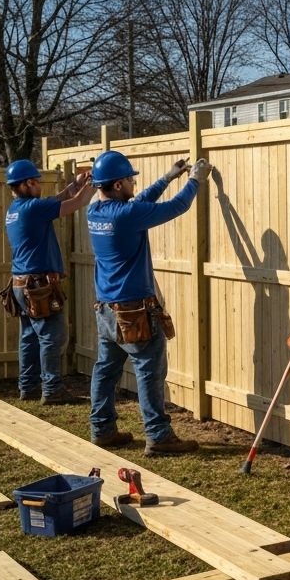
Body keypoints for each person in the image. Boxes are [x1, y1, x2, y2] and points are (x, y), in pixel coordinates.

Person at [86, 150, 212, 453]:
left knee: (106, 369)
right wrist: (195, 180)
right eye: (129, 178)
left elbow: (139, 202)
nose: (132, 183)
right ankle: (158, 435)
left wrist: (167, 177)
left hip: (106, 309)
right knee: (149, 369)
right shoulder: (126, 215)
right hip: (134, 310)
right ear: (117, 185)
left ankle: (101, 429)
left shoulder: (95, 212)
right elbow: (177, 207)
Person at [3, 158, 94, 404]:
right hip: (38, 286)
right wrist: (95, 183)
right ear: (28, 183)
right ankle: (52, 389)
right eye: (36, 182)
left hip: (21, 285)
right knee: (52, 336)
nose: (39, 186)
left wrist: (75, 185)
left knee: (29, 337)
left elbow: (55, 201)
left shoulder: (15, 209)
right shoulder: (32, 208)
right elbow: (78, 203)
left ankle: (28, 386)